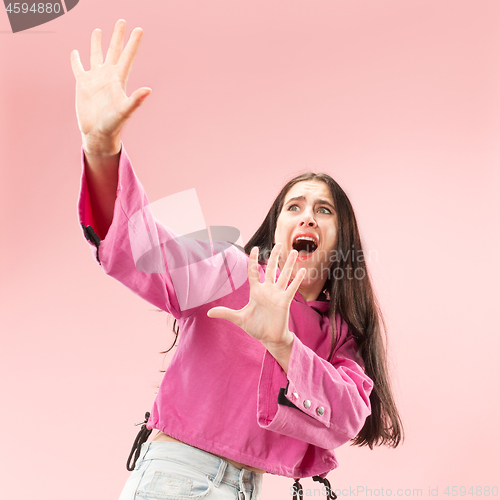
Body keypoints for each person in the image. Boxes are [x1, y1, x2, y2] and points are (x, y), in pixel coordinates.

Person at [71, 19, 403, 500]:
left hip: (249, 488)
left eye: (323, 210)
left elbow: (348, 418)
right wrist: (102, 151)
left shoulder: (339, 336)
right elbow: (140, 250)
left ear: (340, 239)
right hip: (177, 476)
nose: (306, 216)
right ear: (277, 228)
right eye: (294, 206)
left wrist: (284, 343)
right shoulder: (229, 269)